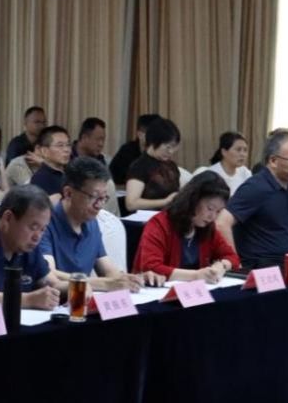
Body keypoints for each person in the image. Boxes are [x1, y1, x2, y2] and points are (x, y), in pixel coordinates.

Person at [42, 157, 163, 290]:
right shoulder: (44, 224)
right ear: (68, 193)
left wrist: (136, 279)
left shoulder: (91, 222)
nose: (99, 205)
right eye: (94, 197)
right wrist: (104, 284)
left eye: (104, 197)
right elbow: (48, 274)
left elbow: (109, 272)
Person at [218, 128, 288, 270]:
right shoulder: (256, 187)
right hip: (262, 266)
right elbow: (222, 223)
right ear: (273, 161)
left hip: (285, 261)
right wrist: (235, 263)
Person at [133, 173, 241, 282]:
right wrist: (195, 275)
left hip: (195, 290)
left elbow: (232, 256)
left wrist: (221, 265)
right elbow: (151, 267)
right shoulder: (159, 224)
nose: (213, 217)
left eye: (218, 211)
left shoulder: (208, 228)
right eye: (210, 208)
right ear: (193, 200)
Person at [124, 116, 182, 211]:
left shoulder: (171, 165)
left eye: (174, 147)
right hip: (147, 217)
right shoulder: (139, 167)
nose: (171, 151)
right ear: (153, 142)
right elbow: (131, 204)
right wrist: (165, 202)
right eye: (167, 147)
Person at [110, 113, 158, 185]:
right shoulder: (126, 151)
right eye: (151, 133)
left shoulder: (159, 152)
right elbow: (115, 176)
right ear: (139, 134)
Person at [29, 125, 72, 201]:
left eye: (68, 145)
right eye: (60, 145)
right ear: (44, 151)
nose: (66, 150)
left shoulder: (71, 173)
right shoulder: (40, 179)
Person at [208, 132, 253, 196]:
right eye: (238, 150)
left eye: (245, 150)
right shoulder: (212, 174)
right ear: (224, 152)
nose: (243, 154)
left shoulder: (245, 172)